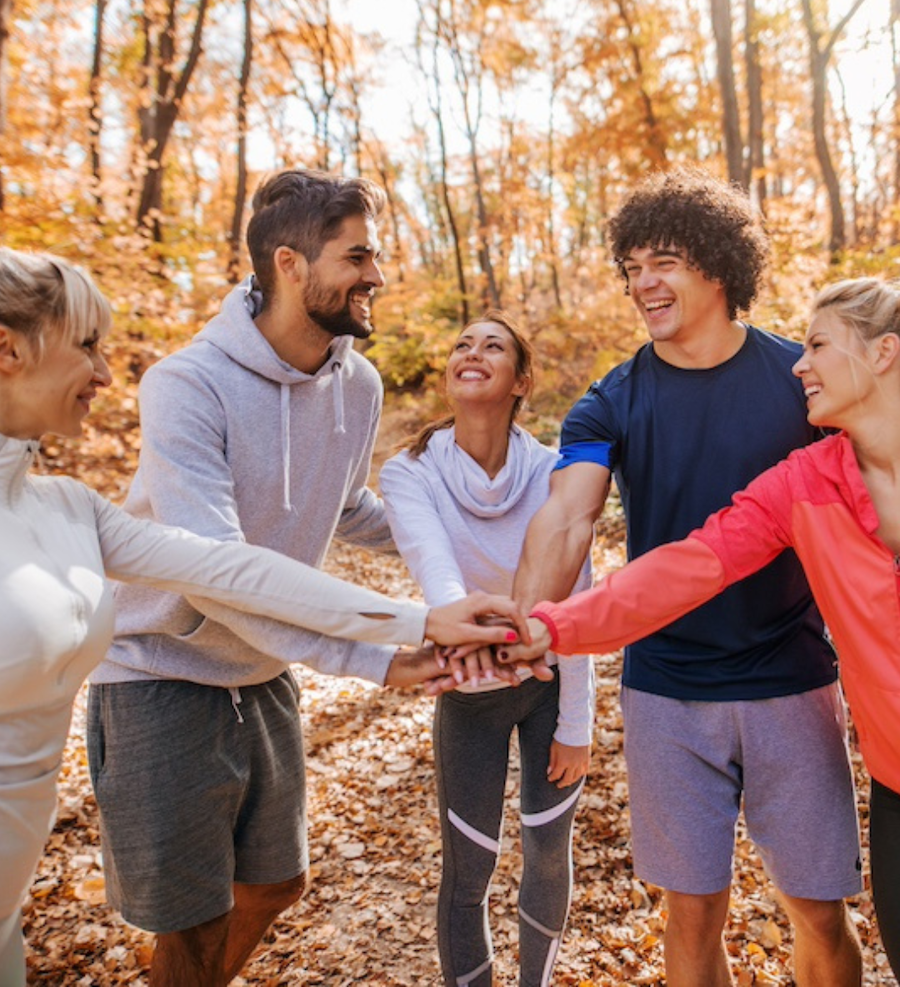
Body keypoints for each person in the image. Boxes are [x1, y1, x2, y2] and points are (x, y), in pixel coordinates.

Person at [0, 247, 529, 987]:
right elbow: (224, 575)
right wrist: (403, 631)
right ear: (8, 349)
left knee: (274, 885)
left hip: (8, 911)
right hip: (162, 684)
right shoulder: (188, 386)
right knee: (194, 919)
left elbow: (228, 567)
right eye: (88, 346)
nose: (108, 373)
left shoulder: (71, 508)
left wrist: (413, 623)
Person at [509, 169, 862, 987]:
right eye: (631, 267)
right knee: (691, 911)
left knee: (817, 909)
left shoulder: (799, 382)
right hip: (666, 689)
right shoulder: (611, 400)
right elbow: (567, 518)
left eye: (661, 261)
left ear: (716, 264)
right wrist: (523, 626)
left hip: (792, 678)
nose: (642, 284)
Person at [380, 312, 594, 987]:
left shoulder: (556, 472)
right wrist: (461, 629)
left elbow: (574, 605)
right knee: (467, 870)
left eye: (492, 345)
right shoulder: (410, 470)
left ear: (520, 380)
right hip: (466, 689)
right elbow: (435, 568)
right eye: (461, 344)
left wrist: (578, 726)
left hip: (548, 684)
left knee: (547, 853)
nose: (472, 352)